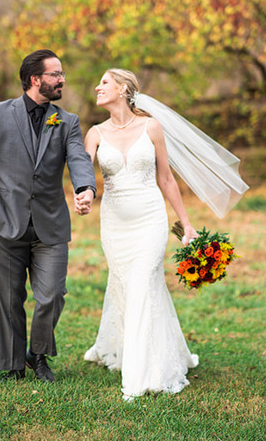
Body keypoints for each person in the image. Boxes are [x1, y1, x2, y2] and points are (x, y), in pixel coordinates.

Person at [0, 50, 97, 383]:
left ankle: (37, 355)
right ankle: (12, 366)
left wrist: (86, 188)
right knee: (9, 298)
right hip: (5, 221)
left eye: (62, 73)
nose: (62, 80)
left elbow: (79, 158)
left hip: (50, 225)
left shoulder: (66, 121)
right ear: (35, 79)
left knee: (52, 294)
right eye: (55, 74)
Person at [82, 69, 199, 401]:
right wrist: (84, 195)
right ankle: (151, 350)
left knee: (143, 282)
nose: (96, 87)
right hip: (115, 223)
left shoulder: (151, 127)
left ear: (122, 89)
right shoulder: (94, 133)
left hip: (150, 218)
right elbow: (83, 174)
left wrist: (186, 223)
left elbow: (167, 179)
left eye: (103, 83)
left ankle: (140, 376)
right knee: (126, 285)